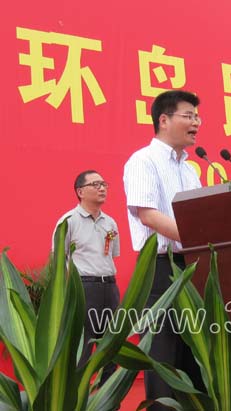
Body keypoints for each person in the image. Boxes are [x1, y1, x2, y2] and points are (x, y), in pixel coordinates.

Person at [123, 90, 204, 409]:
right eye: (188, 116)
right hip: (159, 272)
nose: (196, 122)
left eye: (197, 116)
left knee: (195, 358)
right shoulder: (143, 161)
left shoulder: (191, 169)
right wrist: (196, 238)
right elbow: (148, 215)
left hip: (192, 268)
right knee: (163, 359)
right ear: (164, 120)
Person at [53, 170, 120, 387]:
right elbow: (59, 261)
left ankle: (109, 398)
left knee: (111, 344)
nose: (102, 188)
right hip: (84, 288)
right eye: (95, 184)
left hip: (109, 287)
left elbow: (112, 255)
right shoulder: (68, 221)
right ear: (80, 191)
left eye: (104, 184)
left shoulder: (110, 222)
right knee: (83, 345)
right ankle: (77, 396)